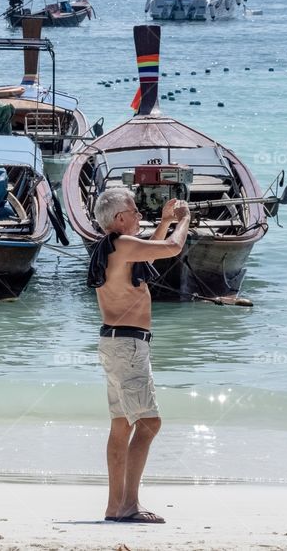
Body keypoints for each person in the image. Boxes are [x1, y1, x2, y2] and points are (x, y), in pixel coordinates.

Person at [87, 188, 191, 524]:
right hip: (129, 345)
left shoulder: (112, 247)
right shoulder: (124, 244)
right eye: (134, 211)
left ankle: (115, 506)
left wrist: (164, 223)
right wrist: (184, 220)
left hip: (115, 343)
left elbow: (147, 256)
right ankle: (129, 505)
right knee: (149, 423)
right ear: (119, 219)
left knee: (121, 425)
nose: (138, 216)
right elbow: (174, 248)